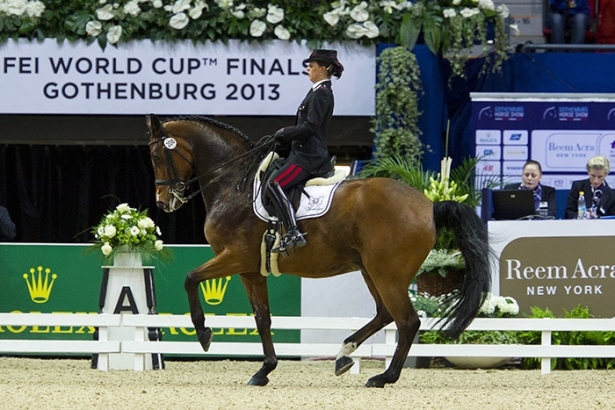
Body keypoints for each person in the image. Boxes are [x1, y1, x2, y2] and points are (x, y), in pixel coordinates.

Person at [266, 49, 344, 253]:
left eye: (312, 65)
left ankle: (293, 231)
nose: (308, 68)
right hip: (300, 152)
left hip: (309, 156)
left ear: (323, 68)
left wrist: (286, 132)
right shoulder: (316, 91)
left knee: (275, 184)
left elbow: (311, 127)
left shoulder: (322, 94)